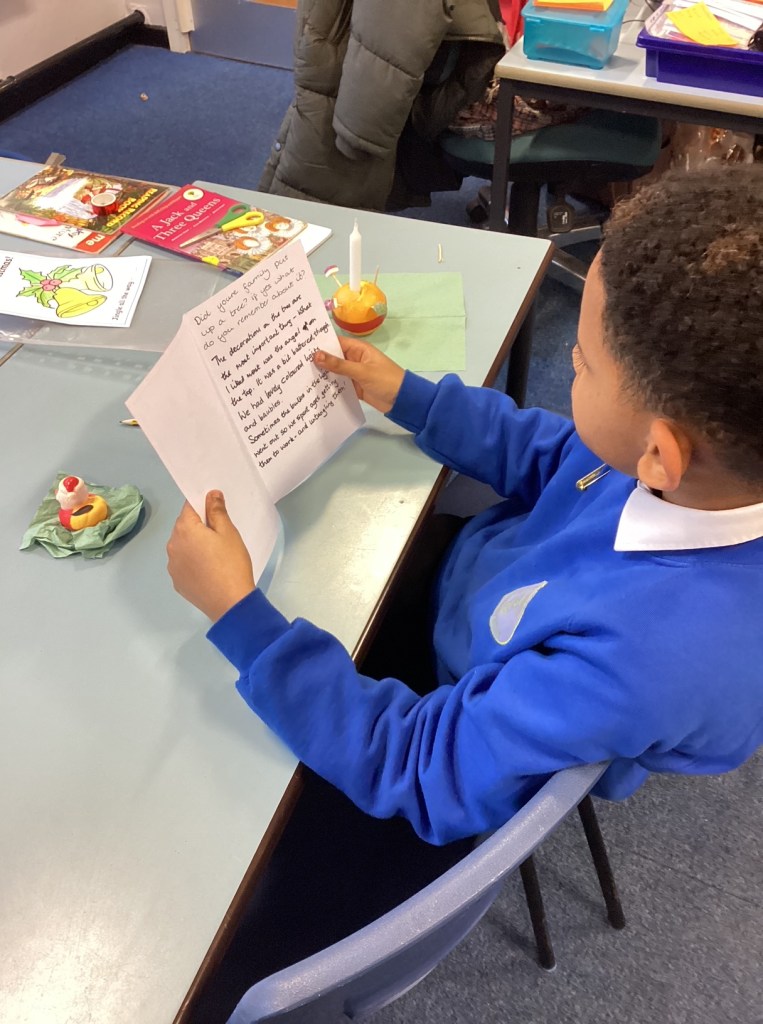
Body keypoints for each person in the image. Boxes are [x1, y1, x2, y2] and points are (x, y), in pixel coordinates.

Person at [167, 165, 763, 846]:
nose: (570, 360)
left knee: (194, 754)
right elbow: (554, 457)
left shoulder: (647, 659)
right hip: (463, 601)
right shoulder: (697, 474)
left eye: (582, 364)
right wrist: (409, 395)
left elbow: (416, 765)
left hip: (434, 714)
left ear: (661, 454)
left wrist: (240, 616)